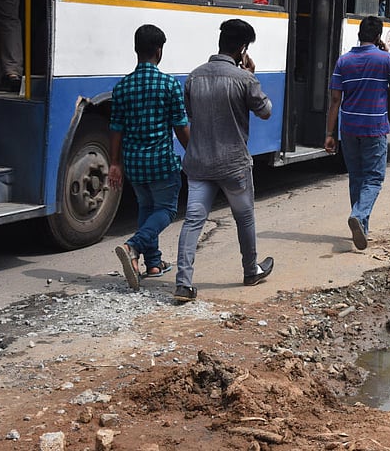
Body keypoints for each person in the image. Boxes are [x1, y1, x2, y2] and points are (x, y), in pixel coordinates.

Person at [174, 19, 274, 304]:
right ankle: (250, 270)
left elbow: (191, 114)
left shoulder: (194, 76)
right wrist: (252, 76)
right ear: (243, 49)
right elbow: (265, 110)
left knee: (193, 220)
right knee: (244, 217)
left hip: (199, 163)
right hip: (234, 165)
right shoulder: (244, 79)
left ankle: (183, 283)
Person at [109, 24, 190, 291]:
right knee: (166, 209)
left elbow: (116, 129)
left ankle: (153, 263)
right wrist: (195, 153)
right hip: (161, 162)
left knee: (146, 208)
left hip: (134, 164)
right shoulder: (169, 85)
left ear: (136, 50)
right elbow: (180, 126)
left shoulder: (122, 87)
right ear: (159, 51)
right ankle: (132, 247)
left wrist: (115, 163)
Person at [324, 16, 390, 250]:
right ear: (378, 36)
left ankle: (362, 229)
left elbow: (335, 100)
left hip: (348, 129)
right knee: (374, 178)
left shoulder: (343, 61)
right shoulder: (385, 59)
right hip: (374, 128)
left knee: (357, 177)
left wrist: (330, 133)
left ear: (359, 35)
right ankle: (358, 216)